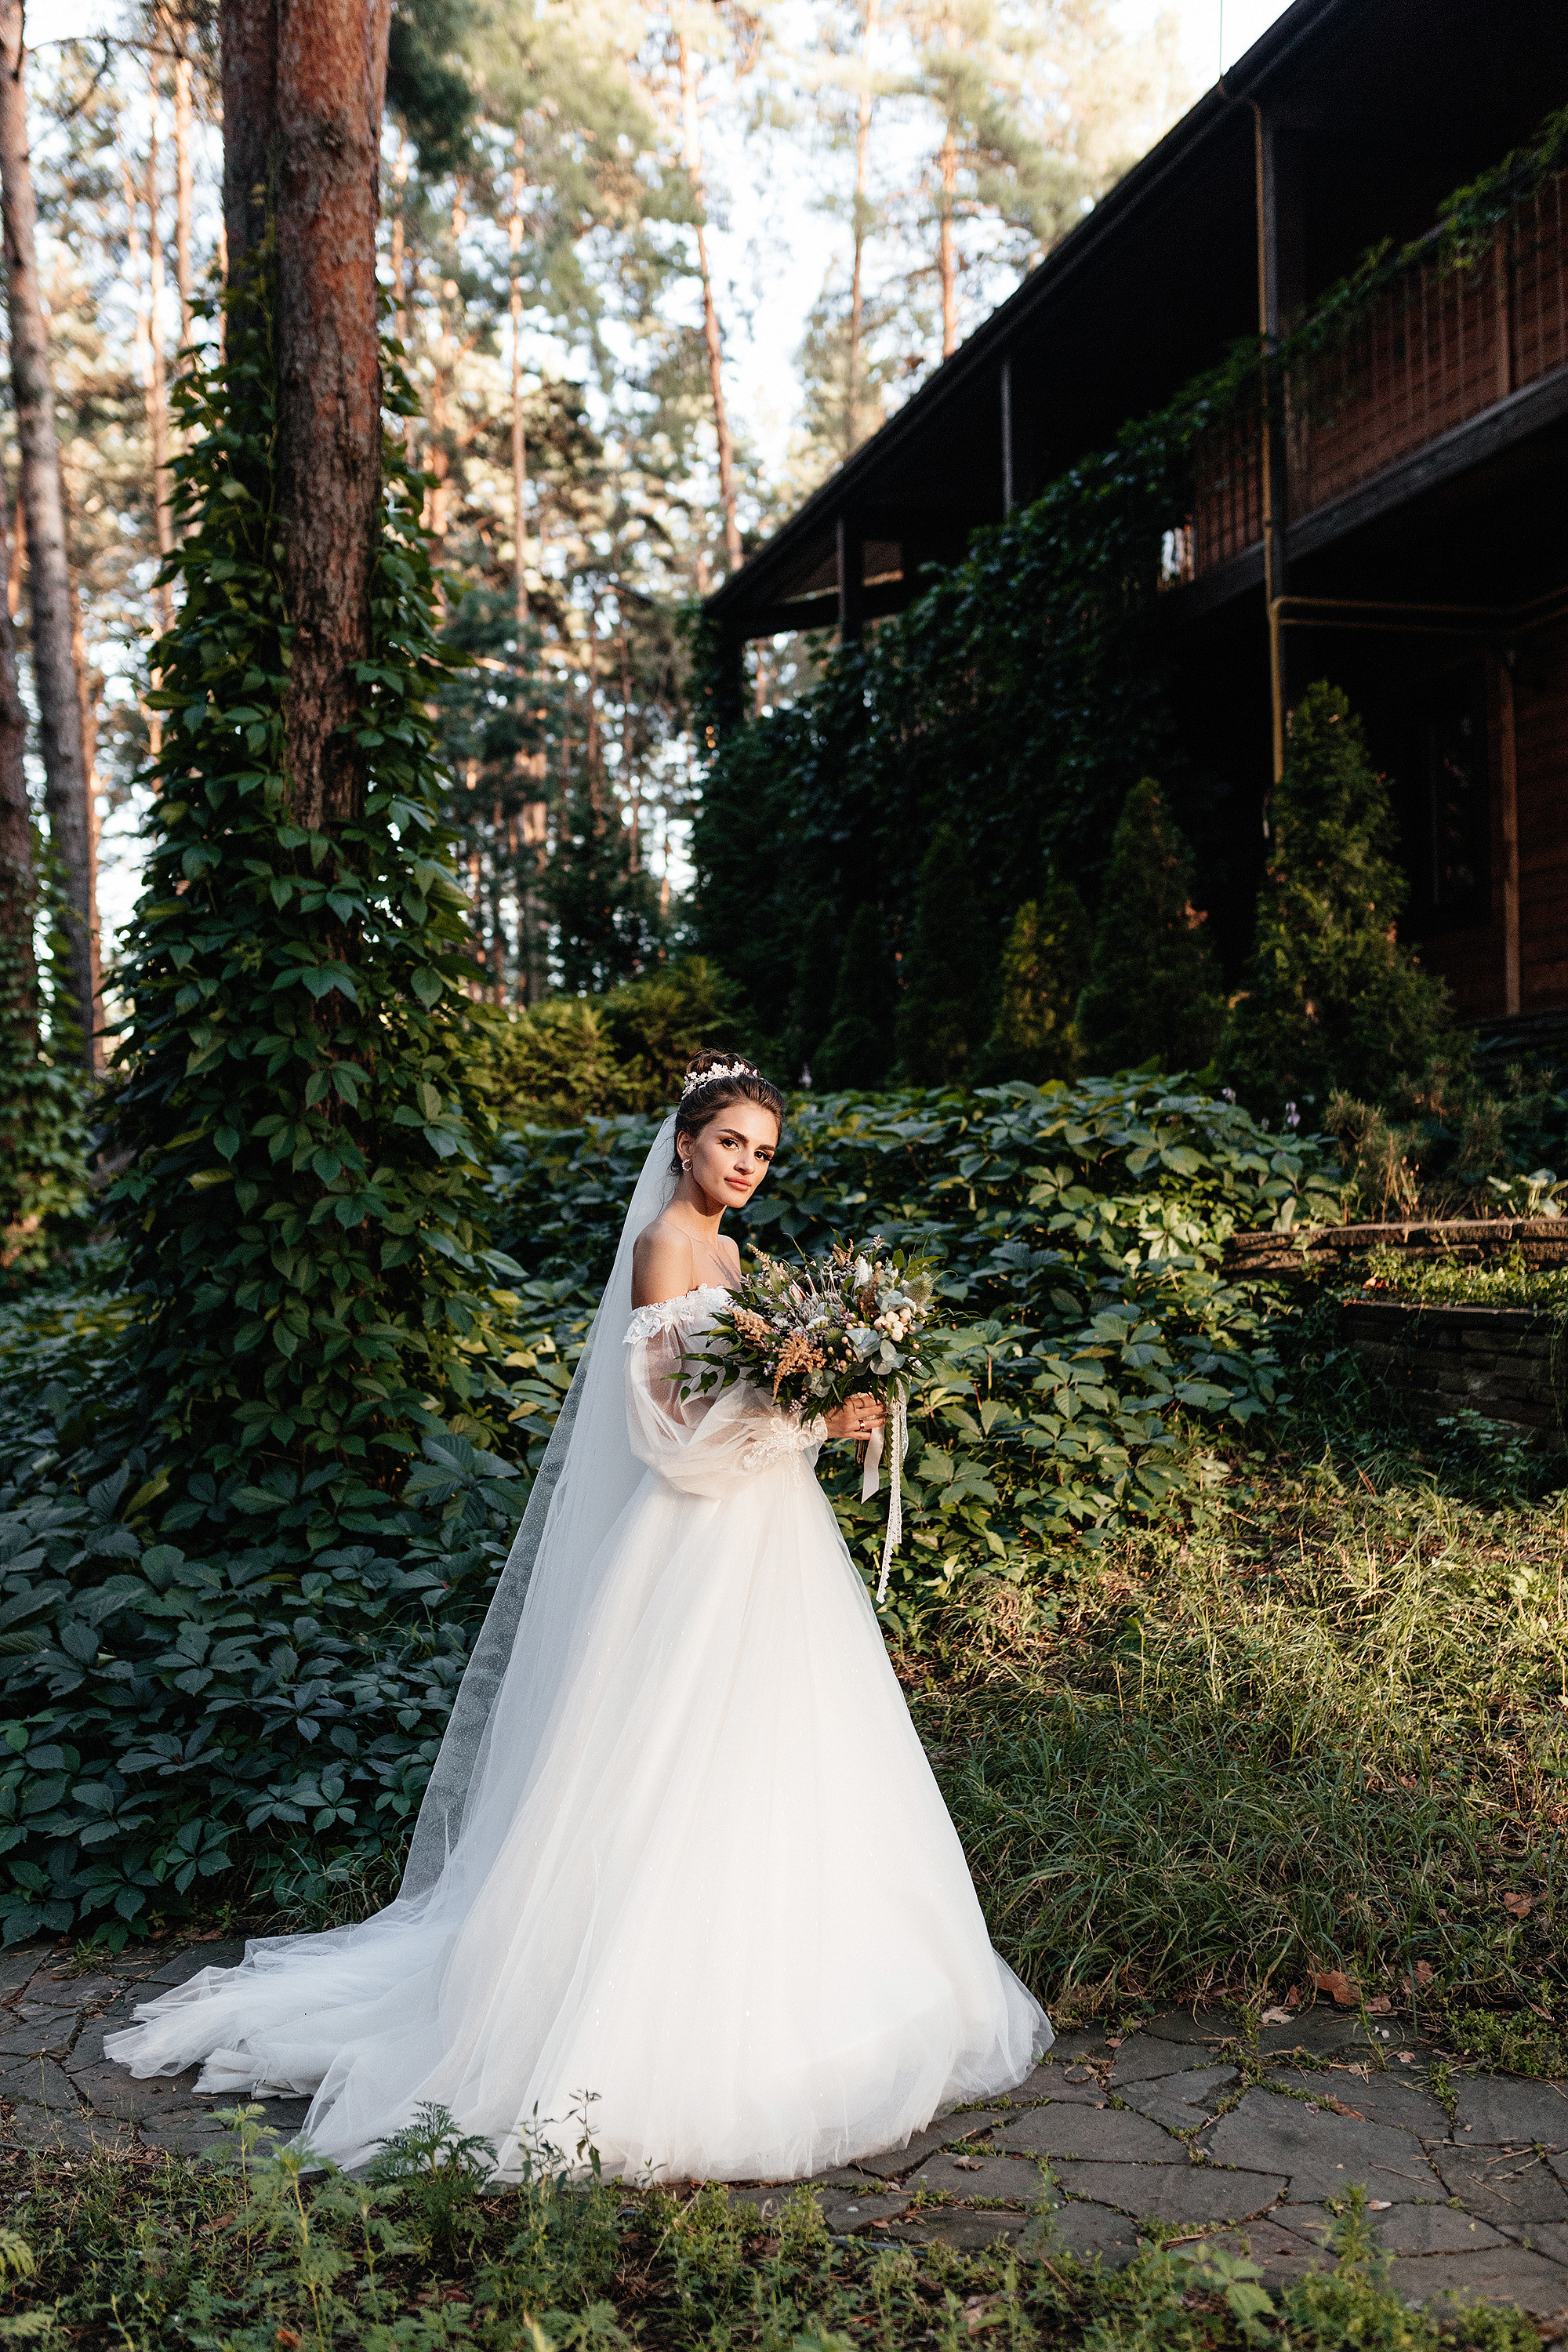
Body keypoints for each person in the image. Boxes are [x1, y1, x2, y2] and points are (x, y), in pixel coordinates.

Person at [107, 1051, 1050, 2181]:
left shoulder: (739, 1253)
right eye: (730, 1144)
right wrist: (805, 1422)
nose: (746, 1167)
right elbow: (662, 1434)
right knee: (663, 1765)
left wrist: (811, 1401)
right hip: (692, 1538)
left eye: (763, 1152)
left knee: (788, 1753)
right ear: (687, 1142)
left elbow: (732, 1398)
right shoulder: (663, 1248)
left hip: (767, 1537)